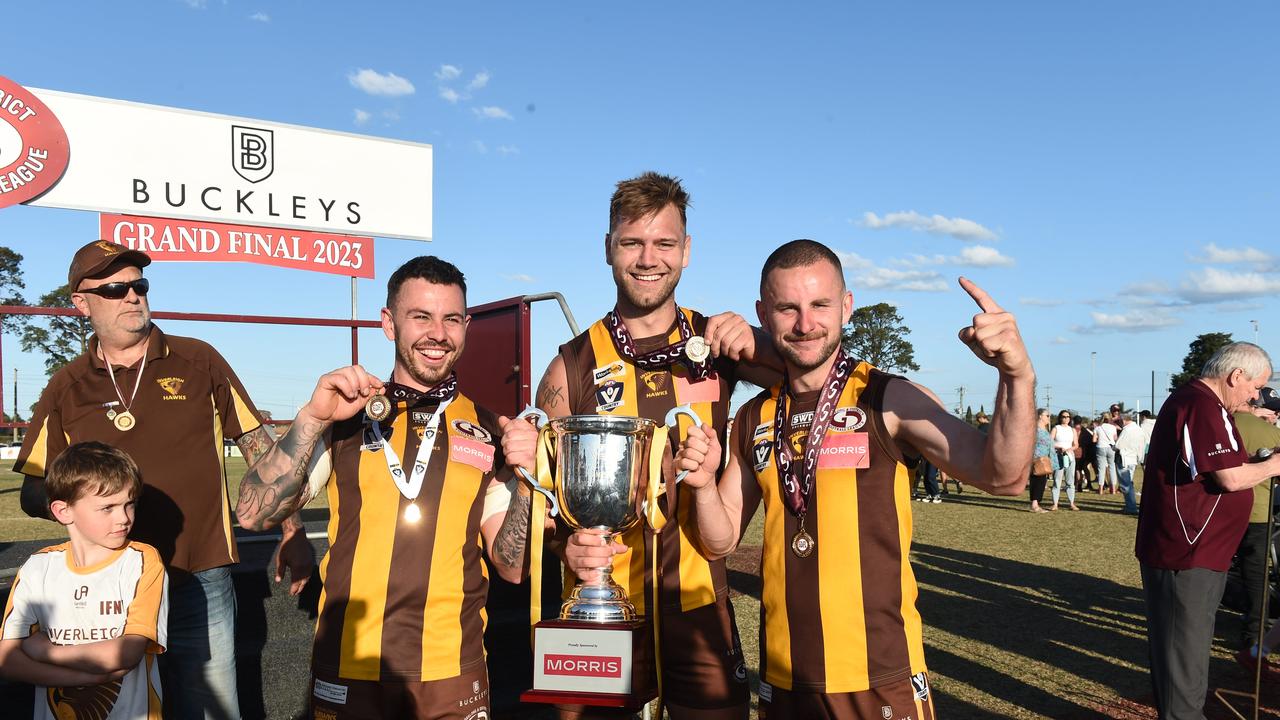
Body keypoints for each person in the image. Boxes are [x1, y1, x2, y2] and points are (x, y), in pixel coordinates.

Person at [673, 240, 1035, 719]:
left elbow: (1004, 475)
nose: (806, 324)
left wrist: (1016, 374)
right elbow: (720, 542)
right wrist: (700, 485)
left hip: (879, 677)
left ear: (846, 306)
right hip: (783, 679)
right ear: (763, 313)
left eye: (820, 304)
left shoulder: (889, 398)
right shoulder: (752, 416)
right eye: (788, 308)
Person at [511, 172, 780, 720]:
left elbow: (809, 379)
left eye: (664, 243)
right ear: (608, 249)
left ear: (686, 252)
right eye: (632, 242)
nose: (647, 258)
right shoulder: (571, 364)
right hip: (596, 609)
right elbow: (545, 499)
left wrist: (761, 341)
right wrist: (566, 547)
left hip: (699, 603)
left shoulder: (721, 344)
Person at [13, 240, 307, 719]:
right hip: (112, 585)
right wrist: (86, 502)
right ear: (81, 303)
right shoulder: (67, 384)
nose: (132, 296)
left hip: (198, 571)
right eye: (114, 288)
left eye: (139, 285)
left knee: (210, 707)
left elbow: (262, 451)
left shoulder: (199, 359)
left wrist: (292, 530)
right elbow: (33, 489)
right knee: (118, 710)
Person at [234, 256, 536, 720]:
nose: (437, 333)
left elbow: (511, 566)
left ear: (466, 326)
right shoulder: (344, 417)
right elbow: (254, 514)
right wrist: (311, 419)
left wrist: (529, 481)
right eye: (421, 316)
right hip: (349, 666)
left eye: (451, 318)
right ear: (389, 323)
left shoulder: (490, 428)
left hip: (451, 671)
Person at [1135, 343, 1280, 720]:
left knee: (1187, 657)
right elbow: (1230, 478)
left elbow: (1219, 467)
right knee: (1182, 659)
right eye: (1256, 387)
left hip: (1199, 551)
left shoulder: (1205, 404)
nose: (1256, 396)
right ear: (1235, 377)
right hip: (1186, 552)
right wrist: (1275, 464)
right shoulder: (1201, 404)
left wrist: (1258, 462)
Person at [1, 441, 168, 720]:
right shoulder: (38, 567)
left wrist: (46, 651)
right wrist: (85, 677)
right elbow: (8, 660)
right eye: (107, 508)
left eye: (130, 504)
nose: (124, 518)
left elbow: (123, 655)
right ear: (63, 511)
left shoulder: (142, 561)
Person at [1230, 386, 1280, 659]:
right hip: (1257, 515)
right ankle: (1253, 640)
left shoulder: (1221, 423)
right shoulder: (1272, 433)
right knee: (1256, 581)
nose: (1275, 415)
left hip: (1216, 516)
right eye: (1273, 410)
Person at [1115, 413, 1144, 515]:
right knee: (1129, 483)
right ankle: (1130, 506)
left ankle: (1130, 507)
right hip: (1133, 459)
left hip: (1124, 459)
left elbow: (1118, 445)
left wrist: (1113, 446)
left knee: (1125, 485)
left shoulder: (1127, 430)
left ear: (1123, 420)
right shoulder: (1139, 429)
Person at [1050, 410, 1079, 511]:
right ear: (1060, 417)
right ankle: (1055, 504)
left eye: (1068, 417)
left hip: (1070, 457)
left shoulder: (1072, 430)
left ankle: (1071, 503)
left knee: (1070, 481)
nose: (1066, 418)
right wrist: (1059, 448)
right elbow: (1050, 442)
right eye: (1063, 416)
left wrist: (1070, 449)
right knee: (1057, 480)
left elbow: (1076, 444)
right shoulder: (1056, 428)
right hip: (1058, 457)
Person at [1030, 408, 1053, 513]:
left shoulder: (1045, 430)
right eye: (1047, 415)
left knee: (1042, 481)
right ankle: (1035, 505)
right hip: (1037, 459)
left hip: (1045, 459)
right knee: (1038, 481)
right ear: (1040, 416)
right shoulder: (1034, 430)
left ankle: (1036, 503)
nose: (1049, 418)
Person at [1093, 412, 1120, 495]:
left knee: (1101, 469)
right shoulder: (1113, 427)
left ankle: (1100, 489)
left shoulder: (1097, 428)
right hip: (1111, 448)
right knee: (1112, 467)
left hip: (1100, 447)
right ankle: (1113, 489)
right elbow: (1115, 439)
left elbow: (1094, 440)